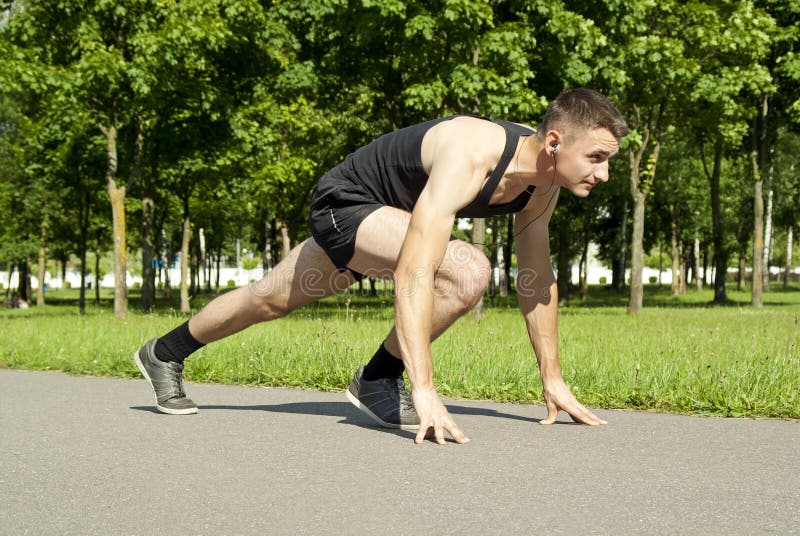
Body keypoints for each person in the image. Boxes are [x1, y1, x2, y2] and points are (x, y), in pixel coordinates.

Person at [135, 88, 628, 445]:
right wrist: (425, 388)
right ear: (556, 142)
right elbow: (416, 270)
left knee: (269, 298)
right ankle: (378, 378)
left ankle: (164, 351)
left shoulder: (541, 187)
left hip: (388, 220)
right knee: (467, 269)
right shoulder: (472, 151)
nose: (604, 173)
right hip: (345, 205)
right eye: (598, 157)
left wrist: (553, 378)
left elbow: (536, 282)